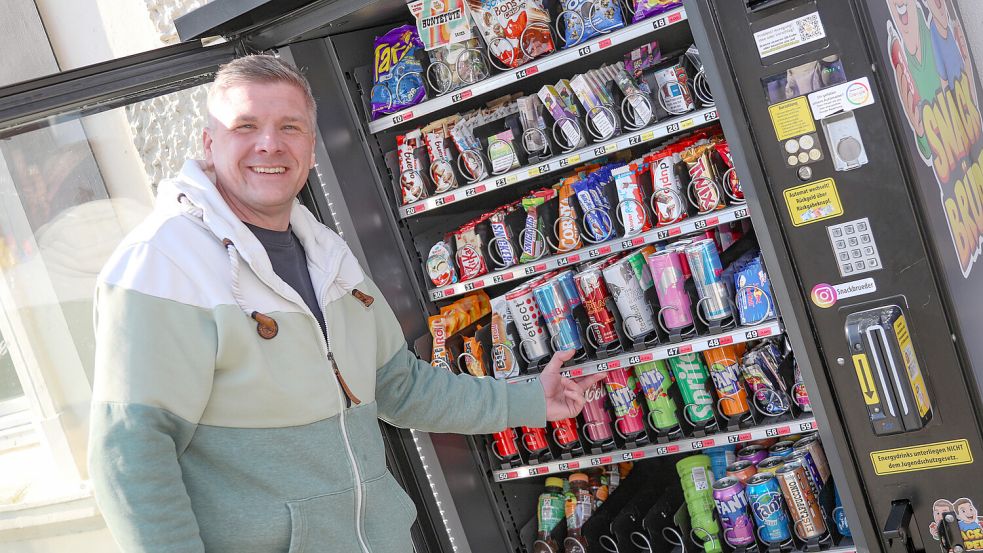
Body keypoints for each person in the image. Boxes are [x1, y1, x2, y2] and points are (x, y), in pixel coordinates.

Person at [87, 54, 604, 553]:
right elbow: (130, 456)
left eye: (290, 127)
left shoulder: (326, 254)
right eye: (246, 126)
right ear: (208, 143)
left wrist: (528, 400)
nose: (269, 144)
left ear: (311, 150)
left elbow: (400, 385)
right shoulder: (163, 264)